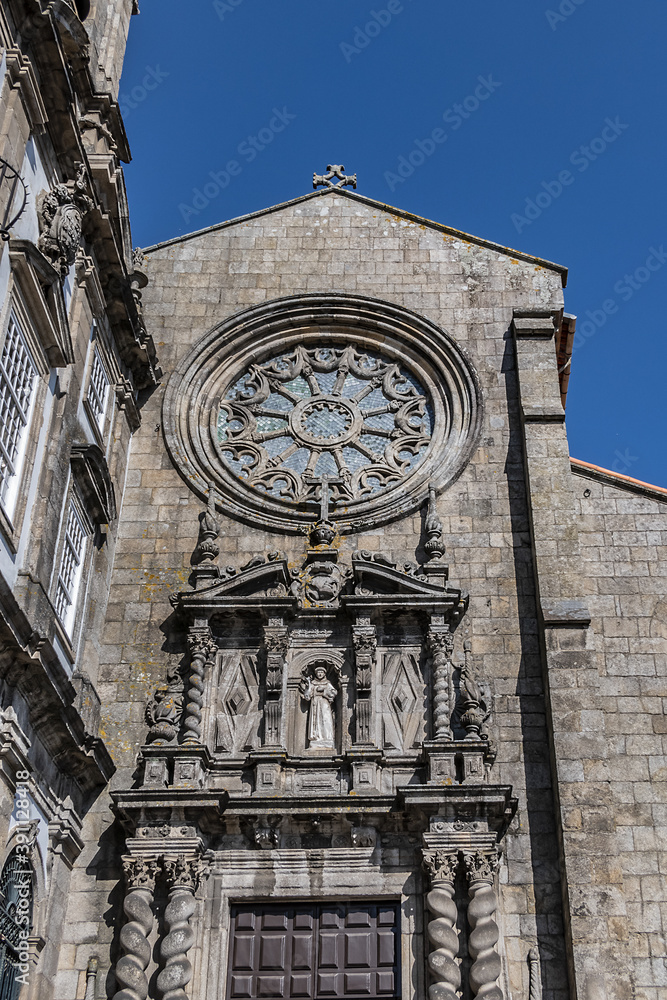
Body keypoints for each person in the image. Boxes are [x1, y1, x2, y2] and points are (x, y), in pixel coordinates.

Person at [300, 666, 336, 748]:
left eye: (321, 672)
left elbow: (334, 693)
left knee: (326, 719)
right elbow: (307, 696)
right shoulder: (313, 683)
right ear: (316, 674)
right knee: (316, 721)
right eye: (318, 672)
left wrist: (324, 690)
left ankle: (327, 738)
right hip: (315, 704)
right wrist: (308, 686)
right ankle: (316, 738)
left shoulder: (327, 683)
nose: (320, 674)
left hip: (324, 703)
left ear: (324, 674)